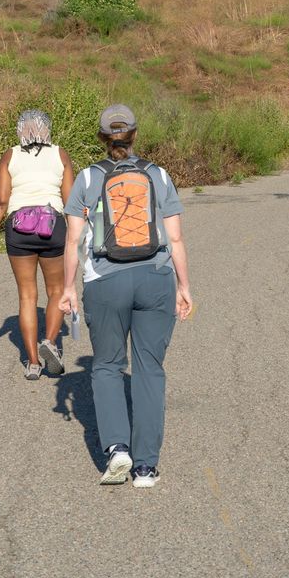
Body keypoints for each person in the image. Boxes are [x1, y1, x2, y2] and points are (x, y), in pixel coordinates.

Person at [59, 104, 193, 488]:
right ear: (135, 135)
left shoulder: (86, 178)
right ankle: (146, 468)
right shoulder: (158, 175)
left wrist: (68, 289)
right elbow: (177, 237)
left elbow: (72, 241)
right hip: (156, 277)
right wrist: (184, 287)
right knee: (149, 369)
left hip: (105, 282)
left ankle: (118, 448)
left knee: (105, 366)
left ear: (103, 138)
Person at [0, 110, 75, 381]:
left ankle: (33, 363)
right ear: (47, 129)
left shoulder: (10, 155)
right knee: (57, 290)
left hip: (18, 228)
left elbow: (1, 201)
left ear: (19, 130)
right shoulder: (61, 154)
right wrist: (77, 238)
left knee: (27, 296)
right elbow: (70, 202)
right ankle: (49, 341)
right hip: (52, 227)